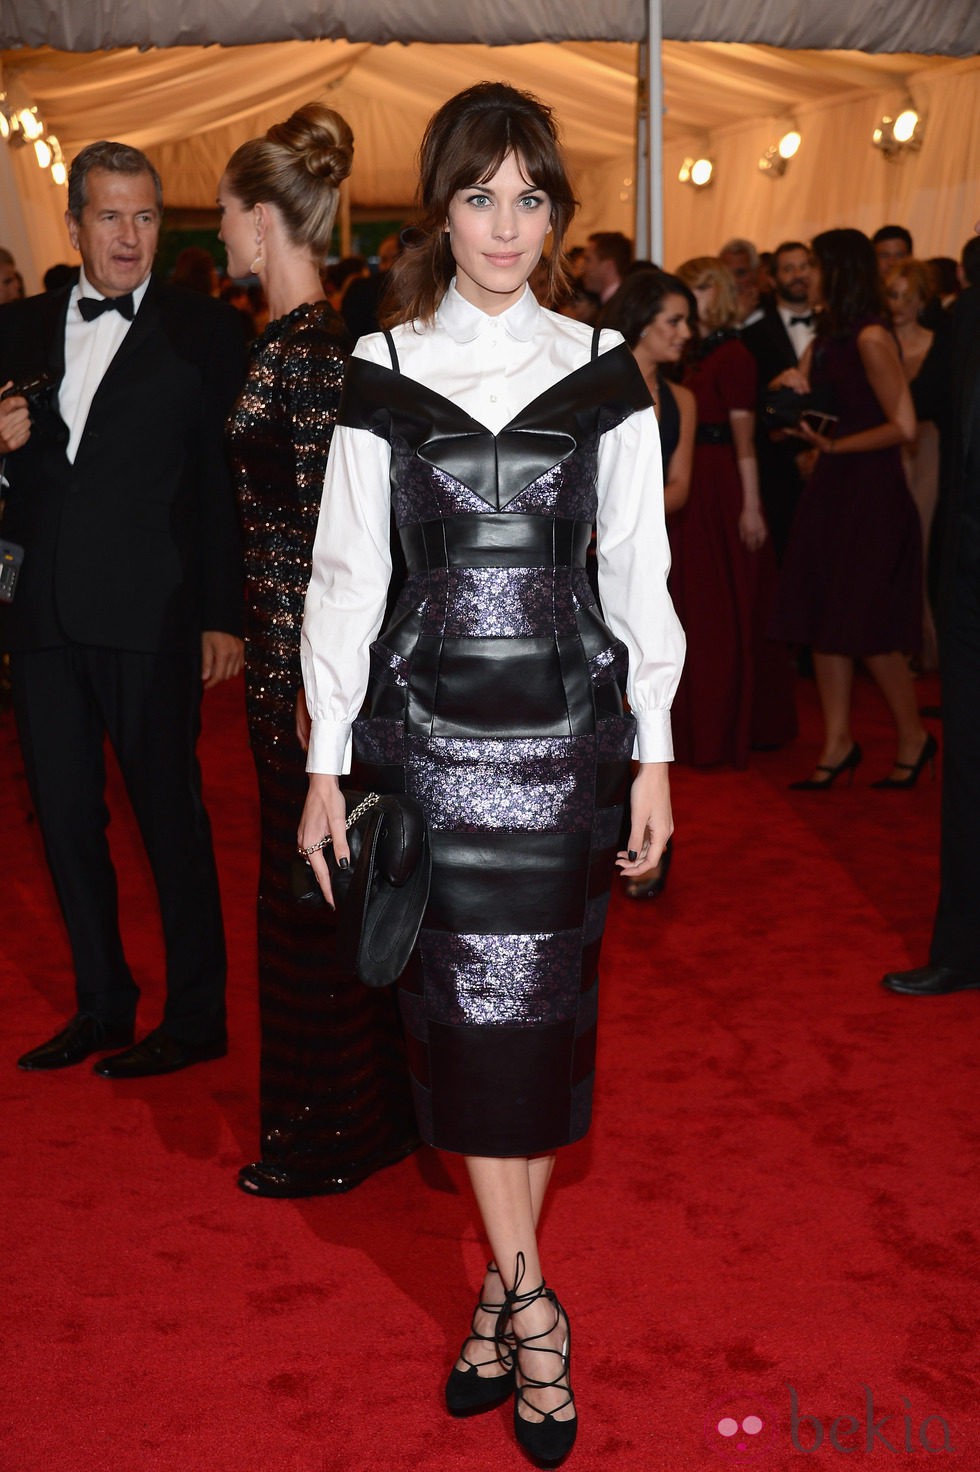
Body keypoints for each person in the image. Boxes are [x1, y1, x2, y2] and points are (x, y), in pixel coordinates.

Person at [297, 81, 684, 1464]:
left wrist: (656, 755)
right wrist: (324, 764)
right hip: (431, 758)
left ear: (558, 214)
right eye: (480, 196)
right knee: (461, 1040)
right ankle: (534, 1312)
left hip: (571, 747)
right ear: (441, 208)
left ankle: (498, 1304)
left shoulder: (606, 368)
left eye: (531, 197)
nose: (506, 225)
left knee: (533, 1041)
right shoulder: (381, 367)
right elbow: (345, 582)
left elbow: (640, 574)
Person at [0, 141, 246, 1076]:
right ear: (73, 227)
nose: (130, 235)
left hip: (155, 617)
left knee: (169, 821)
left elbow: (224, 486)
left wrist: (225, 613)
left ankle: (195, 1018)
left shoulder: (206, 331)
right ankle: (102, 1003)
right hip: (41, 615)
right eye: (110, 216)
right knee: (63, 821)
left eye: (145, 217)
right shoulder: (13, 328)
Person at [219, 103, 418, 1197]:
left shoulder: (310, 352)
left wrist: (313, 687)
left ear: (259, 219)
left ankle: (335, 1130)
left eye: (227, 218)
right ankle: (355, 1115)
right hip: (283, 662)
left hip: (299, 672)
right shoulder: (301, 342)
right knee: (310, 885)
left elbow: (333, 543)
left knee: (312, 892)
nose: (223, 237)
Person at [771, 228, 931, 790]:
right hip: (833, 490)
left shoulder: (869, 337)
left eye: (814, 263)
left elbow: (903, 425)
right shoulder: (832, 337)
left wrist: (834, 447)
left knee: (870, 627)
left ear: (837, 269)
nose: (805, 272)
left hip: (871, 494)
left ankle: (913, 736)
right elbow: (823, 402)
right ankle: (838, 741)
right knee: (824, 619)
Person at [882, 219, 980, 996]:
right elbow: (918, 403)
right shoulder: (969, 316)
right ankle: (962, 951)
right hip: (971, 567)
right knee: (970, 771)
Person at [671, 256, 795, 767]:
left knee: (719, 613)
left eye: (700, 288)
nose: (691, 297)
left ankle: (721, 732)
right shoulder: (691, 354)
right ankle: (689, 729)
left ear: (718, 292)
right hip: (690, 482)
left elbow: (746, 442)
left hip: (721, 484)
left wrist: (751, 506)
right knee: (691, 609)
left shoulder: (736, 355)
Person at [602, 268, 696, 900]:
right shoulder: (599, 386)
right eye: (674, 321)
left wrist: (622, 518)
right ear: (640, 321)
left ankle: (650, 839)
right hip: (592, 570)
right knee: (606, 706)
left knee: (654, 690)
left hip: (660, 555)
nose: (686, 334)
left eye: (689, 321)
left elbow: (681, 488)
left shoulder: (684, 401)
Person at [741, 240, 817, 562]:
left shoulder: (836, 326)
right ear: (772, 279)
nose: (798, 275)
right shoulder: (753, 334)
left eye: (804, 266)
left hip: (834, 454)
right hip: (779, 465)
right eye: (788, 269)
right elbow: (747, 402)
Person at [885, 258, 941, 668]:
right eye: (892, 294)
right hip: (884, 453)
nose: (900, 303)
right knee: (889, 547)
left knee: (921, 541)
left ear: (922, 300)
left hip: (926, 451)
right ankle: (891, 644)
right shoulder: (876, 341)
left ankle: (924, 645)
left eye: (908, 295)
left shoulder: (940, 343)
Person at [719, 237, 763, 327]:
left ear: (755, 274)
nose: (733, 281)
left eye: (740, 273)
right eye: (727, 274)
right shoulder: (713, 313)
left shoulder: (774, 310)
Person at [581, 229, 631, 306]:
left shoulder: (618, 307)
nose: (582, 268)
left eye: (588, 260)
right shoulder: (619, 301)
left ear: (609, 266)